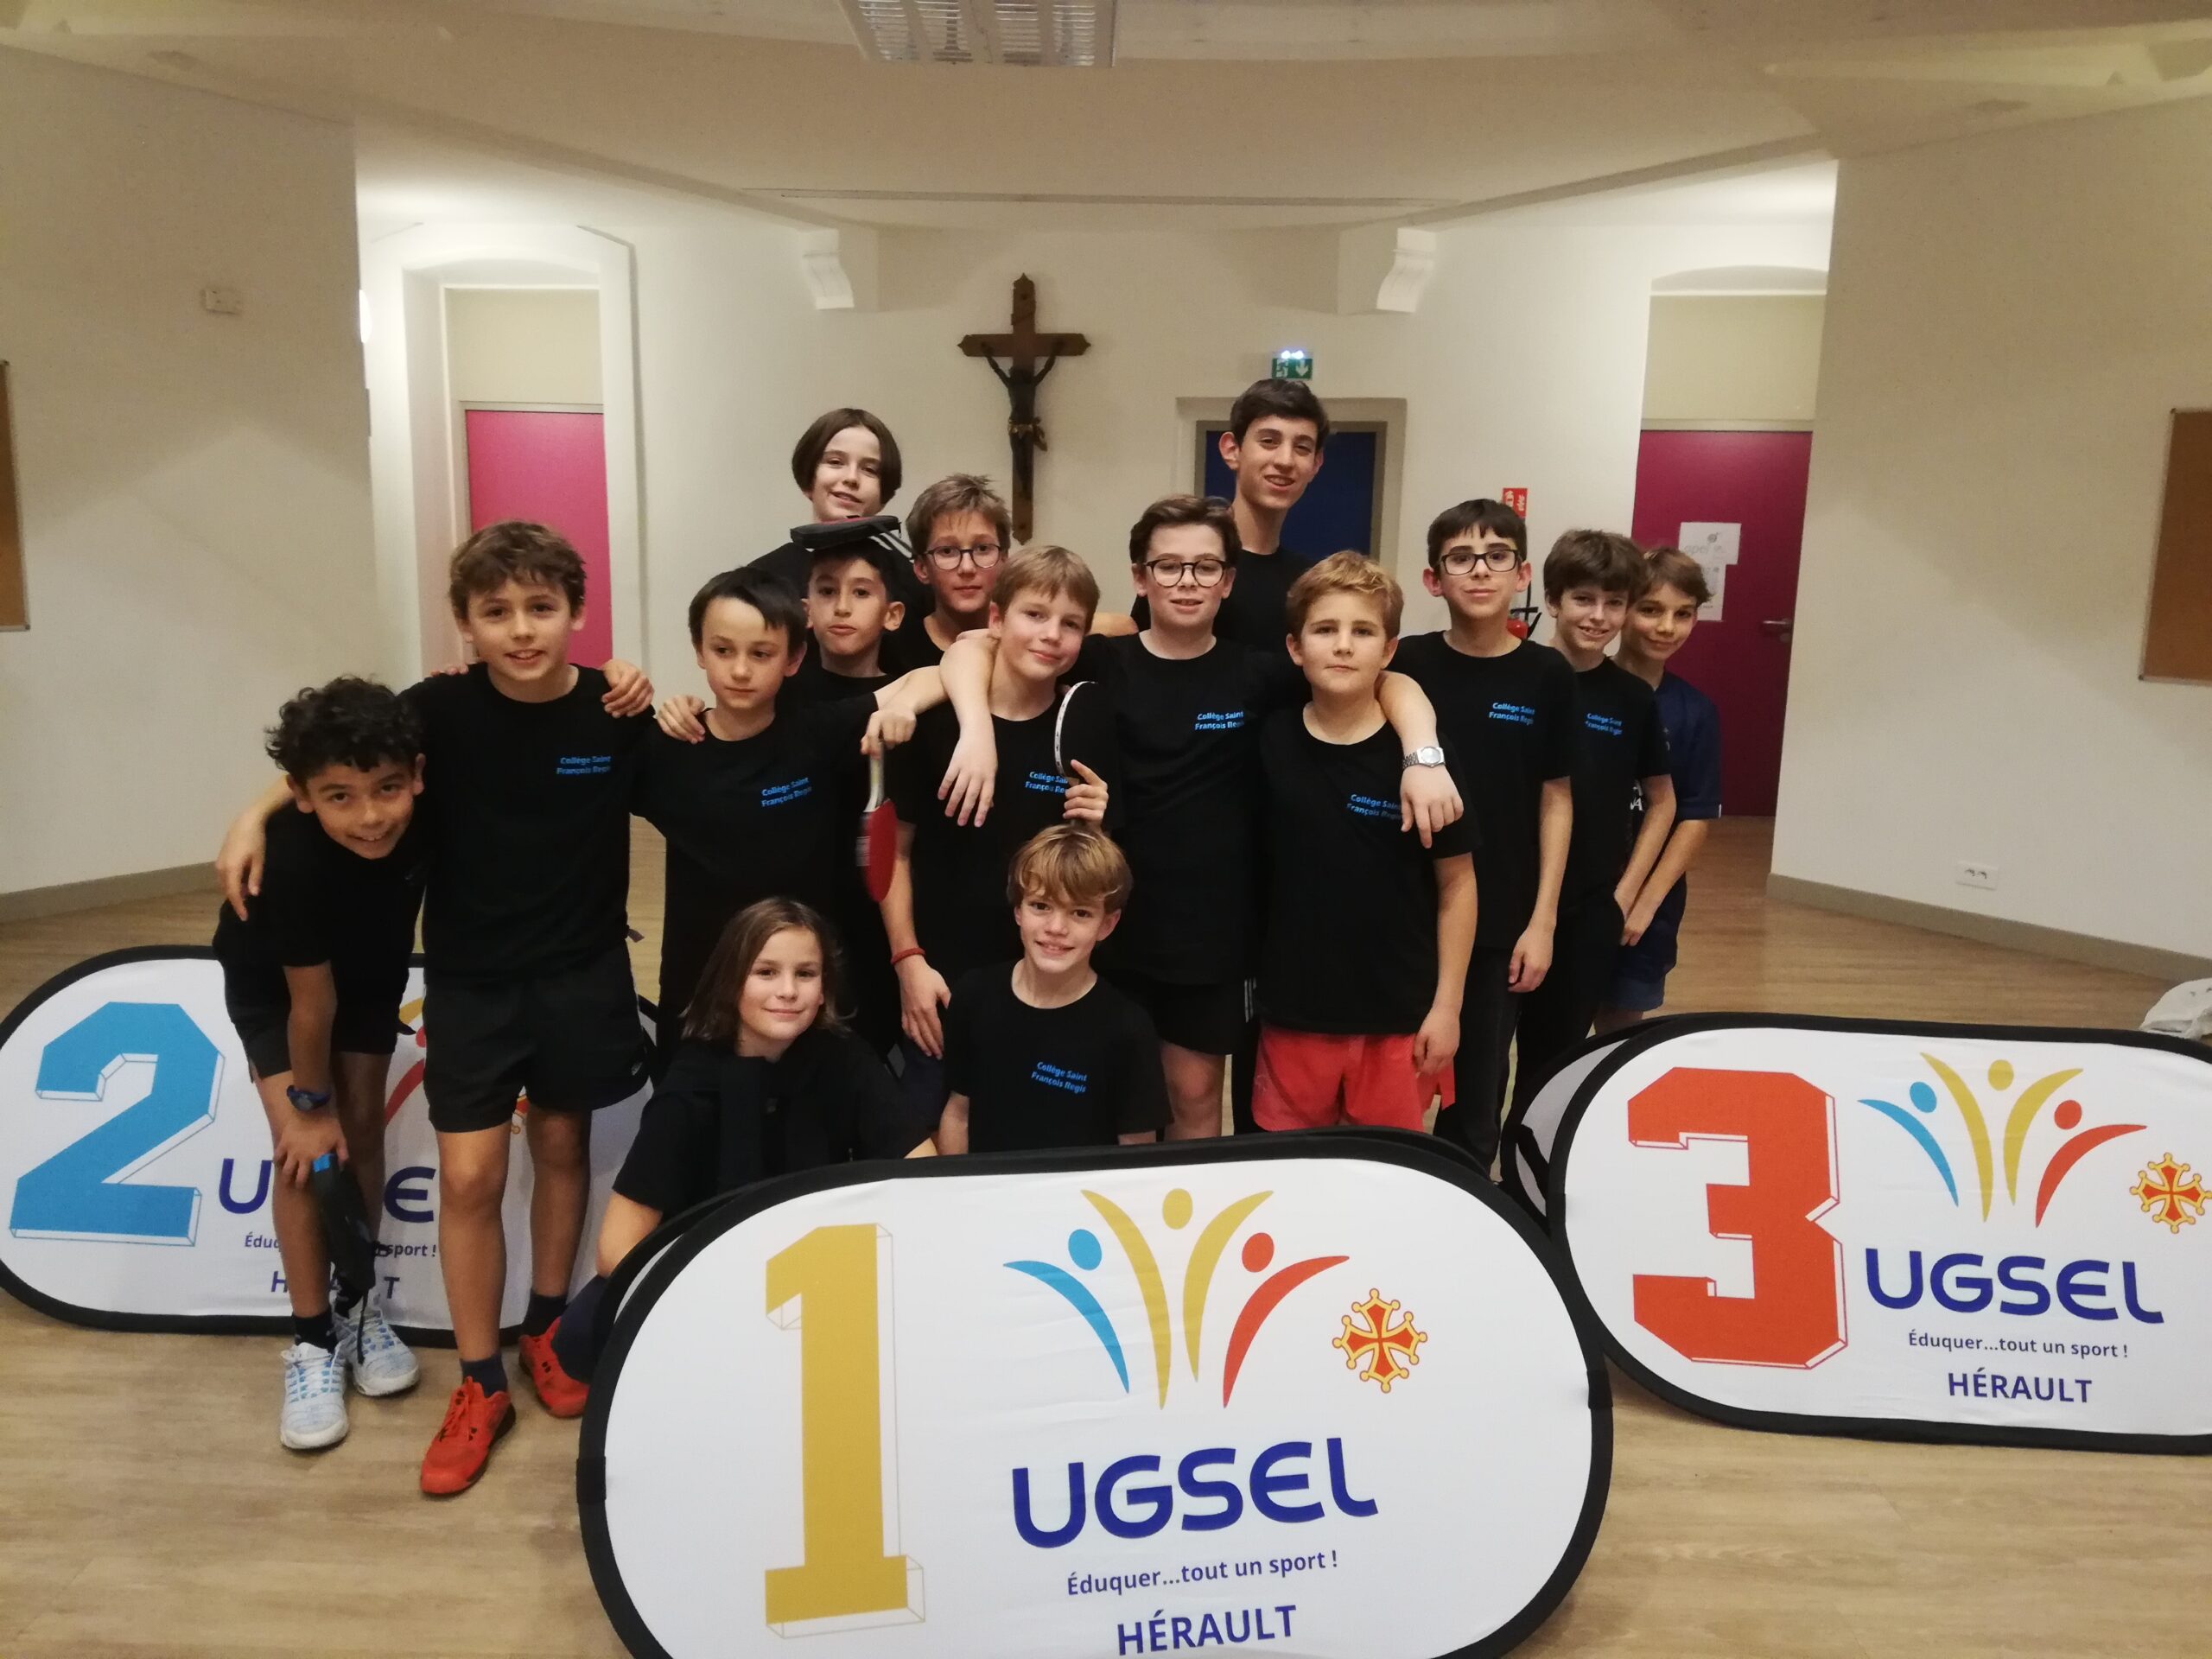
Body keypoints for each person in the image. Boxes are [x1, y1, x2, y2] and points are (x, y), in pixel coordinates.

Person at [218, 521, 658, 1497]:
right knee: (467, 1179)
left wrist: (658, 691)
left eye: (541, 607)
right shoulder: (434, 713)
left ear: (578, 612)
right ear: (464, 623)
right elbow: (329, 759)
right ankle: (479, 1381)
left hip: (583, 977)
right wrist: (254, 813)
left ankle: (546, 1327)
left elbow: (705, 761)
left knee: (561, 1147)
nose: (521, 629)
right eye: (496, 612)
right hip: (473, 984)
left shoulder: (617, 709)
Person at [945, 495, 1461, 1141]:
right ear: (1141, 578)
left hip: (1210, 935)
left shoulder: (1261, 674)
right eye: (1168, 566)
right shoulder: (1103, 661)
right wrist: (974, 729)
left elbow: (1386, 679)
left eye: (1205, 567)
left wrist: (1423, 751)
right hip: (1105, 920)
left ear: (1228, 580)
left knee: (1192, 1097)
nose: (1186, 581)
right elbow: (973, 649)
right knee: (1101, 1095)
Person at [547, 899, 936, 1384]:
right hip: (706, 1274)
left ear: (824, 990)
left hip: (820, 1269)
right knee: (587, 1329)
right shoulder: (689, 1088)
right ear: (731, 982)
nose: (788, 991)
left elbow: (923, 1176)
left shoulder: (847, 1060)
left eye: (806, 974)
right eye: (766, 972)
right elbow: (615, 1249)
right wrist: (714, 1293)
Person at [212, 677, 427, 1450]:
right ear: (304, 797)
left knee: (361, 1130)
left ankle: (359, 1305)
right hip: (277, 993)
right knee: (306, 1156)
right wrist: (308, 1107)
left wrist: (254, 805)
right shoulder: (292, 862)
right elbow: (311, 1006)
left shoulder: (417, 798)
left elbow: (350, 770)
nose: (370, 817)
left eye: (387, 790)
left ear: (416, 777)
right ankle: (310, 1341)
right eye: (340, 797)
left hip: (369, 979)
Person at [636, 566, 944, 1060]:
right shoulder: (667, 748)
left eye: (761, 654)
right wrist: (619, 672)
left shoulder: (815, 734)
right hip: (700, 993)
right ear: (699, 650)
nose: (740, 670)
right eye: (723, 650)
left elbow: (936, 674)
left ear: (794, 658)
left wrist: (903, 707)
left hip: (798, 995)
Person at [881, 545, 1118, 1123]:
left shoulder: (1084, 723)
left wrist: (1100, 824)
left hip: (1043, 983)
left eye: (1070, 624)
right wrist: (908, 962)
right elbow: (894, 854)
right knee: (926, 1131)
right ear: (995, 619)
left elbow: (1089, 868)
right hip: (941, 979)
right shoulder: (937, 723)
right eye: (1033, 615)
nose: (1051, 635)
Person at [1251, 554, 1478, 1132]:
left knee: (1386, 1170)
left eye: (1363, 631)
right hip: (1294, 1011)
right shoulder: (1270, 741)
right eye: (1325, 629)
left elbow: (1457, 886)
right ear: (1296, 647)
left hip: (1399, 1014)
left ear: (1389, 649)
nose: (1343, 645)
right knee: (1291, 1168)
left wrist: (1447, 1006)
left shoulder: (1427, 761)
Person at [1393, 499, 1576, 1173]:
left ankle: (1464, 1198)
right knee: (1397, 1078)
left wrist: (1543, 920)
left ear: (1522, 573)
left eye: (1497, 556)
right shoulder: (1407, 662)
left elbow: (1556, 799)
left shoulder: (1547, 675)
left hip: (1500, 914)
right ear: (1433, 579)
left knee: (1476, 1093)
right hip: (1408, 908)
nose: (1480, 570)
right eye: (1461, 558)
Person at [1509, 531, 1675, 1117]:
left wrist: (1622, 896)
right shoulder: (1516, 677)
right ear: (1553, 600)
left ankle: (1527, 1166)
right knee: (1479, 1062)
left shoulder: (1632, 697)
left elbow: (1663, 802)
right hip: (1505, 899)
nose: (1598, 616)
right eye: (1583, 599)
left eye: (1614, 603)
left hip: (1586, 909)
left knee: (1552, 1061)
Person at [938, 826, 1169, 1153]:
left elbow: (1136, 1155)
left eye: (1080, 913)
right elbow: (959, 1113)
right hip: (988, 1184)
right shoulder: (973, 997)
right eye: (1041, 906)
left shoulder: (1127, 1029)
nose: (1056, 928)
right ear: (1018, 910)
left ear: (1107, 924)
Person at [1597, 546, 1721, 1031]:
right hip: (1576, 895)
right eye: (1650, 610)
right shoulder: (1576, 688)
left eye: (1683, 614)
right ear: (1622, 608)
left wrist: (1643, 904)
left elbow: (1694, 816)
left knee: (1619, 1030)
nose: (1667, 627)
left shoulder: (1695, 712)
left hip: (1647, 907)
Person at [1128, 379, 1327, 650]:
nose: (1285, 461)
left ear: (1316, 464)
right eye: (1269, 441)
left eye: (1302, 447)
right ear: (1232, 450)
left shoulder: (1312, 581)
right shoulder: (1182, 561)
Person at [745, 407, 931, 629]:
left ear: (884, 494)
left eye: (869, 470)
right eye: (835, 462)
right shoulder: (760, 580)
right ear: (809, 479)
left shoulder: (912, 583)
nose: (851, 478)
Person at [893, 473, 1012, 670]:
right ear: (922, 568)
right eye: (947, 551)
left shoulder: (1026, 646)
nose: (967, 568)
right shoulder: (891, 653)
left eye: (983, 549)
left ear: (1004, 560)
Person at [790, 535, 908, 703]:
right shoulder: (779, 696)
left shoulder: (908, 697)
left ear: (892, 615)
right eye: (827, 591)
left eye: (861, 592)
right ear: (806, 612)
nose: (842, 608)